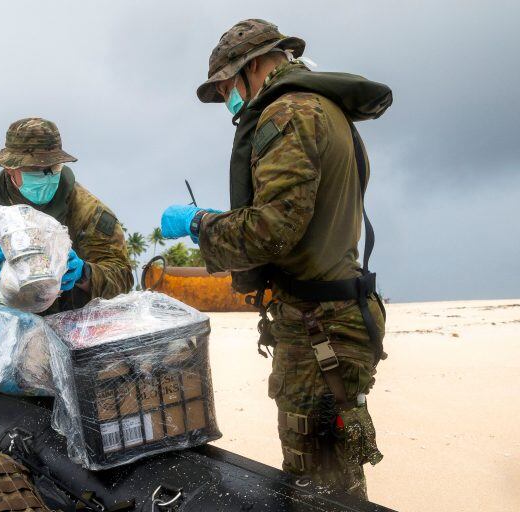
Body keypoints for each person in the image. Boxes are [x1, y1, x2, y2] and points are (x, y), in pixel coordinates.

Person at [159, 19, 392, 498]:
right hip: (335, 317)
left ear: (253, 66)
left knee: (317, 482)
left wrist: (202, 224)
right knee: (337, 471)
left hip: (319, 329)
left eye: (226, 86)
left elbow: (274, 230)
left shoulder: (288, 112)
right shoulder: (325, 108)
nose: (228, 98)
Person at [0, 117, 133, 313]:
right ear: (9, 168)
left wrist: (85, 274)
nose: (47, 175)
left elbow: (122, 275)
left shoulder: (89, 211)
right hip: (9, 315)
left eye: (53, 167)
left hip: (74, 320)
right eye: (36, 169)